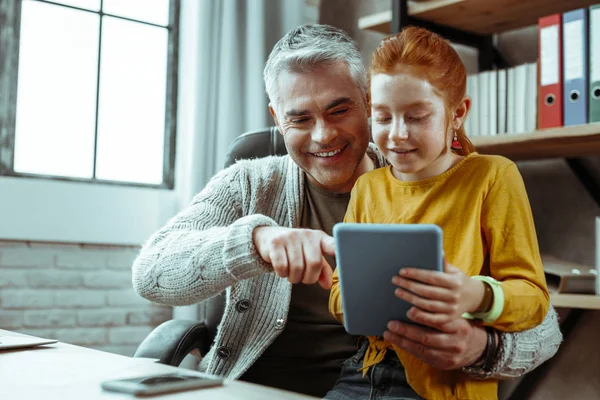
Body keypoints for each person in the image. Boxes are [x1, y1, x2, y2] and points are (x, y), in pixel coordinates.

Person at [132, 24, 562, 398]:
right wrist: (255, 241)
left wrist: (483, 347)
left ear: (365, 99)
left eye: (340, 109)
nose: (323, 135)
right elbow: (151, 272)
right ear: (277, 119)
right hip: (258, 388)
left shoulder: (445, 176)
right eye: (299, 118)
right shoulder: (250, 182)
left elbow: (543, 326)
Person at [326, 26, 550, 400]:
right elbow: (336, 293)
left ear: (458, 112)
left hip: (446, 383)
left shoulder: (493, 176)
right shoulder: (368, 187)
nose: (396, 134)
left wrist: (475, 295)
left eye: (416, 117)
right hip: (365, 374)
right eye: (382, 117)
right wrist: (361, 298)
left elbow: (534, 298)